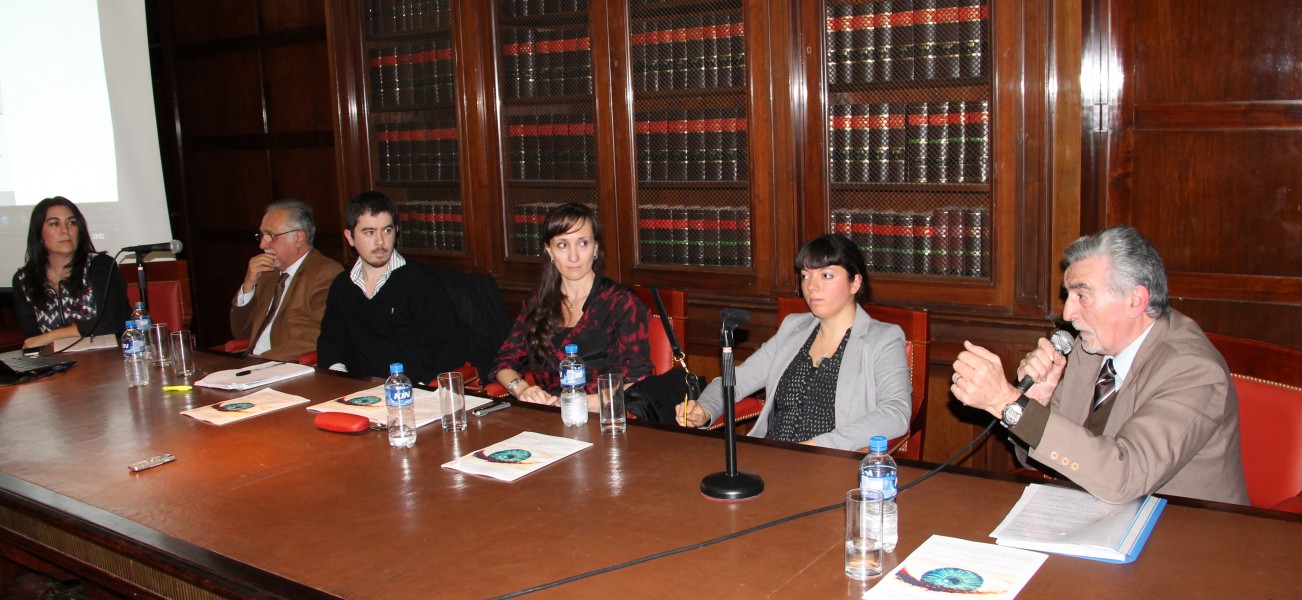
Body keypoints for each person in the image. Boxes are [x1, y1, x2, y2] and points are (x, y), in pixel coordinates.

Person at [951, 225, 1248, 505]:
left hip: (1186, 538)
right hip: (1095, 516)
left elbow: (1125, 477)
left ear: (1135, 301)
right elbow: (1055, 458)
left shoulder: (1193, 370)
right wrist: (1035, 403)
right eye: (1069, 296)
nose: (1068, 313)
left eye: (1082, 295)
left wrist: (1007, 402)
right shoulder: (1088, 349)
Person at [676, 234, 911, 451]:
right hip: (771, 455)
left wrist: (818, 445)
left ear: (855, 283)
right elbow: (736, 381)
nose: (811, 286)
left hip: (828, 462)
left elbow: (896, 412)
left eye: (826, 275)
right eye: (806, 276)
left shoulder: (883, 338)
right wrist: (704, 408)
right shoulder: (794, 328)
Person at [492, 203, 653, 410]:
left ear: (595, 248)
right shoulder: (538, 301)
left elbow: (638, 380)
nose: (574, 257)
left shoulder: (621, 302)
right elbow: (505, 361)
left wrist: (573, 404)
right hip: (548, 418)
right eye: (562, 245)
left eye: (583, 243)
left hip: (601, 419)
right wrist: (522, 389)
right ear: (548, 250)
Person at [317, 191, 466, 384]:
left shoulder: (420, 281)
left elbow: (452, 346)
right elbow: (331, 341)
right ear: (350, 237)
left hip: (412, 391)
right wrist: (340, 376)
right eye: (369, 232)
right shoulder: (342, 285)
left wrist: (422, 386)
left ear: (396, 231)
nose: (380, 242)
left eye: (387, 231)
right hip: (358, 391)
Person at [230, 199, 343, 362]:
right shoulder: (268, 273)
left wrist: (263, 360)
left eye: (270, 236)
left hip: (286, 368)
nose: (262, 244)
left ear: (299, 237)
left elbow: (320, 335)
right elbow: (242, 334)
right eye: (261, 235)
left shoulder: (325, 273)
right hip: (252, 364)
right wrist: (248, 285)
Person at [12, 196, 129, 348]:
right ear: (39, 235)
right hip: (57, 363)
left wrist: (51, 336)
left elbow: (112, 322)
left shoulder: (101, 265)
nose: (65, 230)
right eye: (54, 224)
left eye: (71, 223)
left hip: (108, 359)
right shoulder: (25, 280)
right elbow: (33, 339)